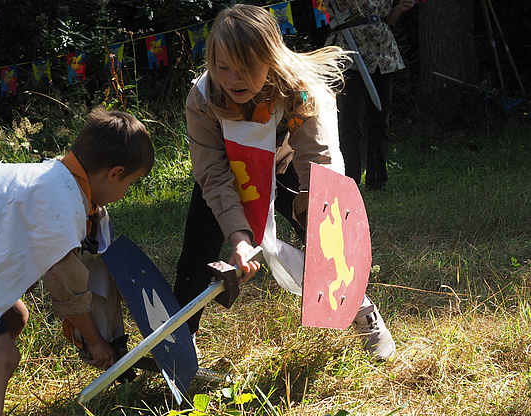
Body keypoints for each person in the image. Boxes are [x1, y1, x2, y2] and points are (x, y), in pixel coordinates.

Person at [173, 4, 395, 362]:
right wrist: (240, 238)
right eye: (223, 67)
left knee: (329, 240)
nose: (232, 79)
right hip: (230, 176)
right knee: (195, 259)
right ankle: (182, 340)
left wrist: (313, 206)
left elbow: (319, 160)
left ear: (270, 59)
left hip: (284, 165)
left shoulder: (300, 90)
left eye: (245, 68)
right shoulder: (203, 98)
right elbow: (212, 174)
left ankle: (361, 308)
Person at [0, 107, 154, 416]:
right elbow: (67, 286)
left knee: (14, 318)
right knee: (1, 355)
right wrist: (95, 341)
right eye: (129, 184)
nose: (126, 192)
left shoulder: (60, 181)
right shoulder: (60, 200)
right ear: (115, 172)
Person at [323, 0, 414, 191]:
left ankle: (378, 182)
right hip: (350, 53)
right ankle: (350, 184)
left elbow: (385, 19)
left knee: (380, 123)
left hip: (383, 55)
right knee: (350, 124)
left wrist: (398, 9)